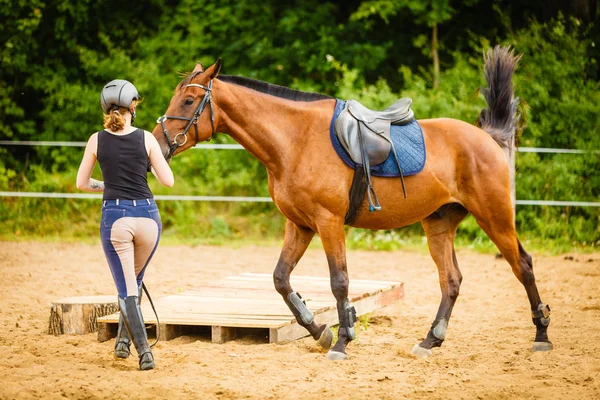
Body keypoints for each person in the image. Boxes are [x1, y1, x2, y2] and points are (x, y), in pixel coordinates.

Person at [76, 79, 174, 370]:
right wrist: (152, 163)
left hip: (116, 218)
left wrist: (106, 185)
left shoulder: (96, 139)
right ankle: (122, 342)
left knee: (126, 286)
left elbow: (81, 183)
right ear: (134, 106)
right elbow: (167, 180)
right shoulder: (146, 138)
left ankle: (144, 352)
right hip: (148, 218)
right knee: (135, 279)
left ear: (106, 109)